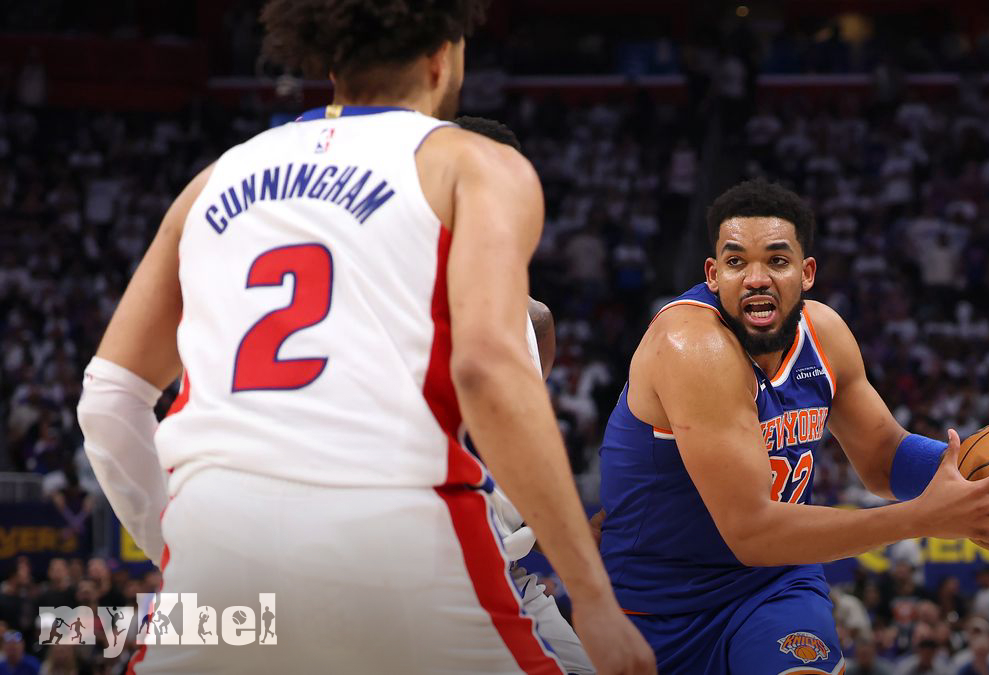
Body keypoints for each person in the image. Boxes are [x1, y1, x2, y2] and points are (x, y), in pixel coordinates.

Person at [74, 1, 653, 672]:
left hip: (219, 564)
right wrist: (594, 598)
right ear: (442, 57)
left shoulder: (214, 178)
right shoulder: (474, 164)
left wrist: (186, 545)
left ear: (328, 63)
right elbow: (486, 369)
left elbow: (108, 399)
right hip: (400, 554)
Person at [597, 179, 989, 673]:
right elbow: (750, 532)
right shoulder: (692, 346)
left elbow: (884, 457)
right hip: (655, 606)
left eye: (776, 261)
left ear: (806, 273)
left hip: (774, 584)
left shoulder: (824, 334)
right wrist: (924, 517)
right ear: (713, 274)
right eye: (737, 261)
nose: (757, 278)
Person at [453, 114, 594, 675]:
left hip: (509, 575)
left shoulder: (535, 320)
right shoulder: (394, 299)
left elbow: (527, 454)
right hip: (418, 569)